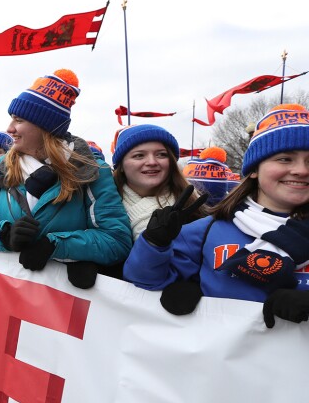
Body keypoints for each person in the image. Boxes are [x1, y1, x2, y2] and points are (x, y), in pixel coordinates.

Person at [124, 103, 309, 328]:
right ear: (253, 169)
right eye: (284, 159)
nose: (301, 170)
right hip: (219, 360)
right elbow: (143, 281)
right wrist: (153, 244)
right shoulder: (207, 230)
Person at [0, 69, 132, 288]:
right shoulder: (4, 166)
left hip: (61, 299)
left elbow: (116, 241)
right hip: (9, 290)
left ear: (44, 126)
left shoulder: (91, 170)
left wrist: (56, 245)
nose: (9, 128)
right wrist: (5, 234)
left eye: (19, 120)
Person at [105, 124, 208, 288]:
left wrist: (193, 286)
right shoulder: (99, 208)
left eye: (161, 154)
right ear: (121, 166)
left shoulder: (195, 210)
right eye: (139, 156)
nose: (152, 162)